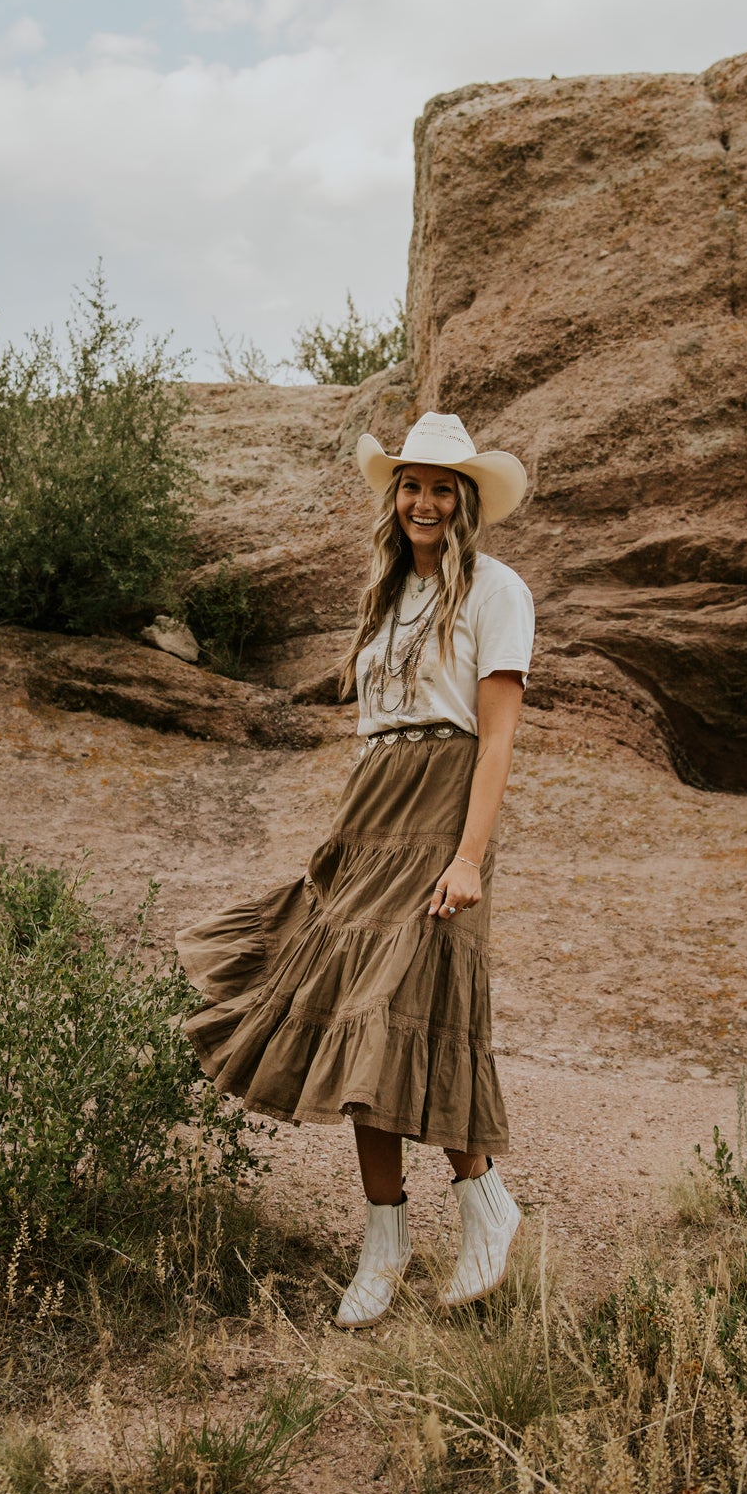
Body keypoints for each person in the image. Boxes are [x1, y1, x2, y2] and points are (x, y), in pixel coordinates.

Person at [176, 411, 535, 1327]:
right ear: (397, 495)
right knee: (356, 1020)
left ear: (465, 500)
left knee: (412, 1009)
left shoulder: (499, 591)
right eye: (411, 484)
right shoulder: (384, 596)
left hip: (440, 807)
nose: (423, 500)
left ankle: (484, 1204)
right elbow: (376, 721)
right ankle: (386, 1241)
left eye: (440, 486)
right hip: (371, 808)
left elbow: (494, 744)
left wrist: (467, 858)